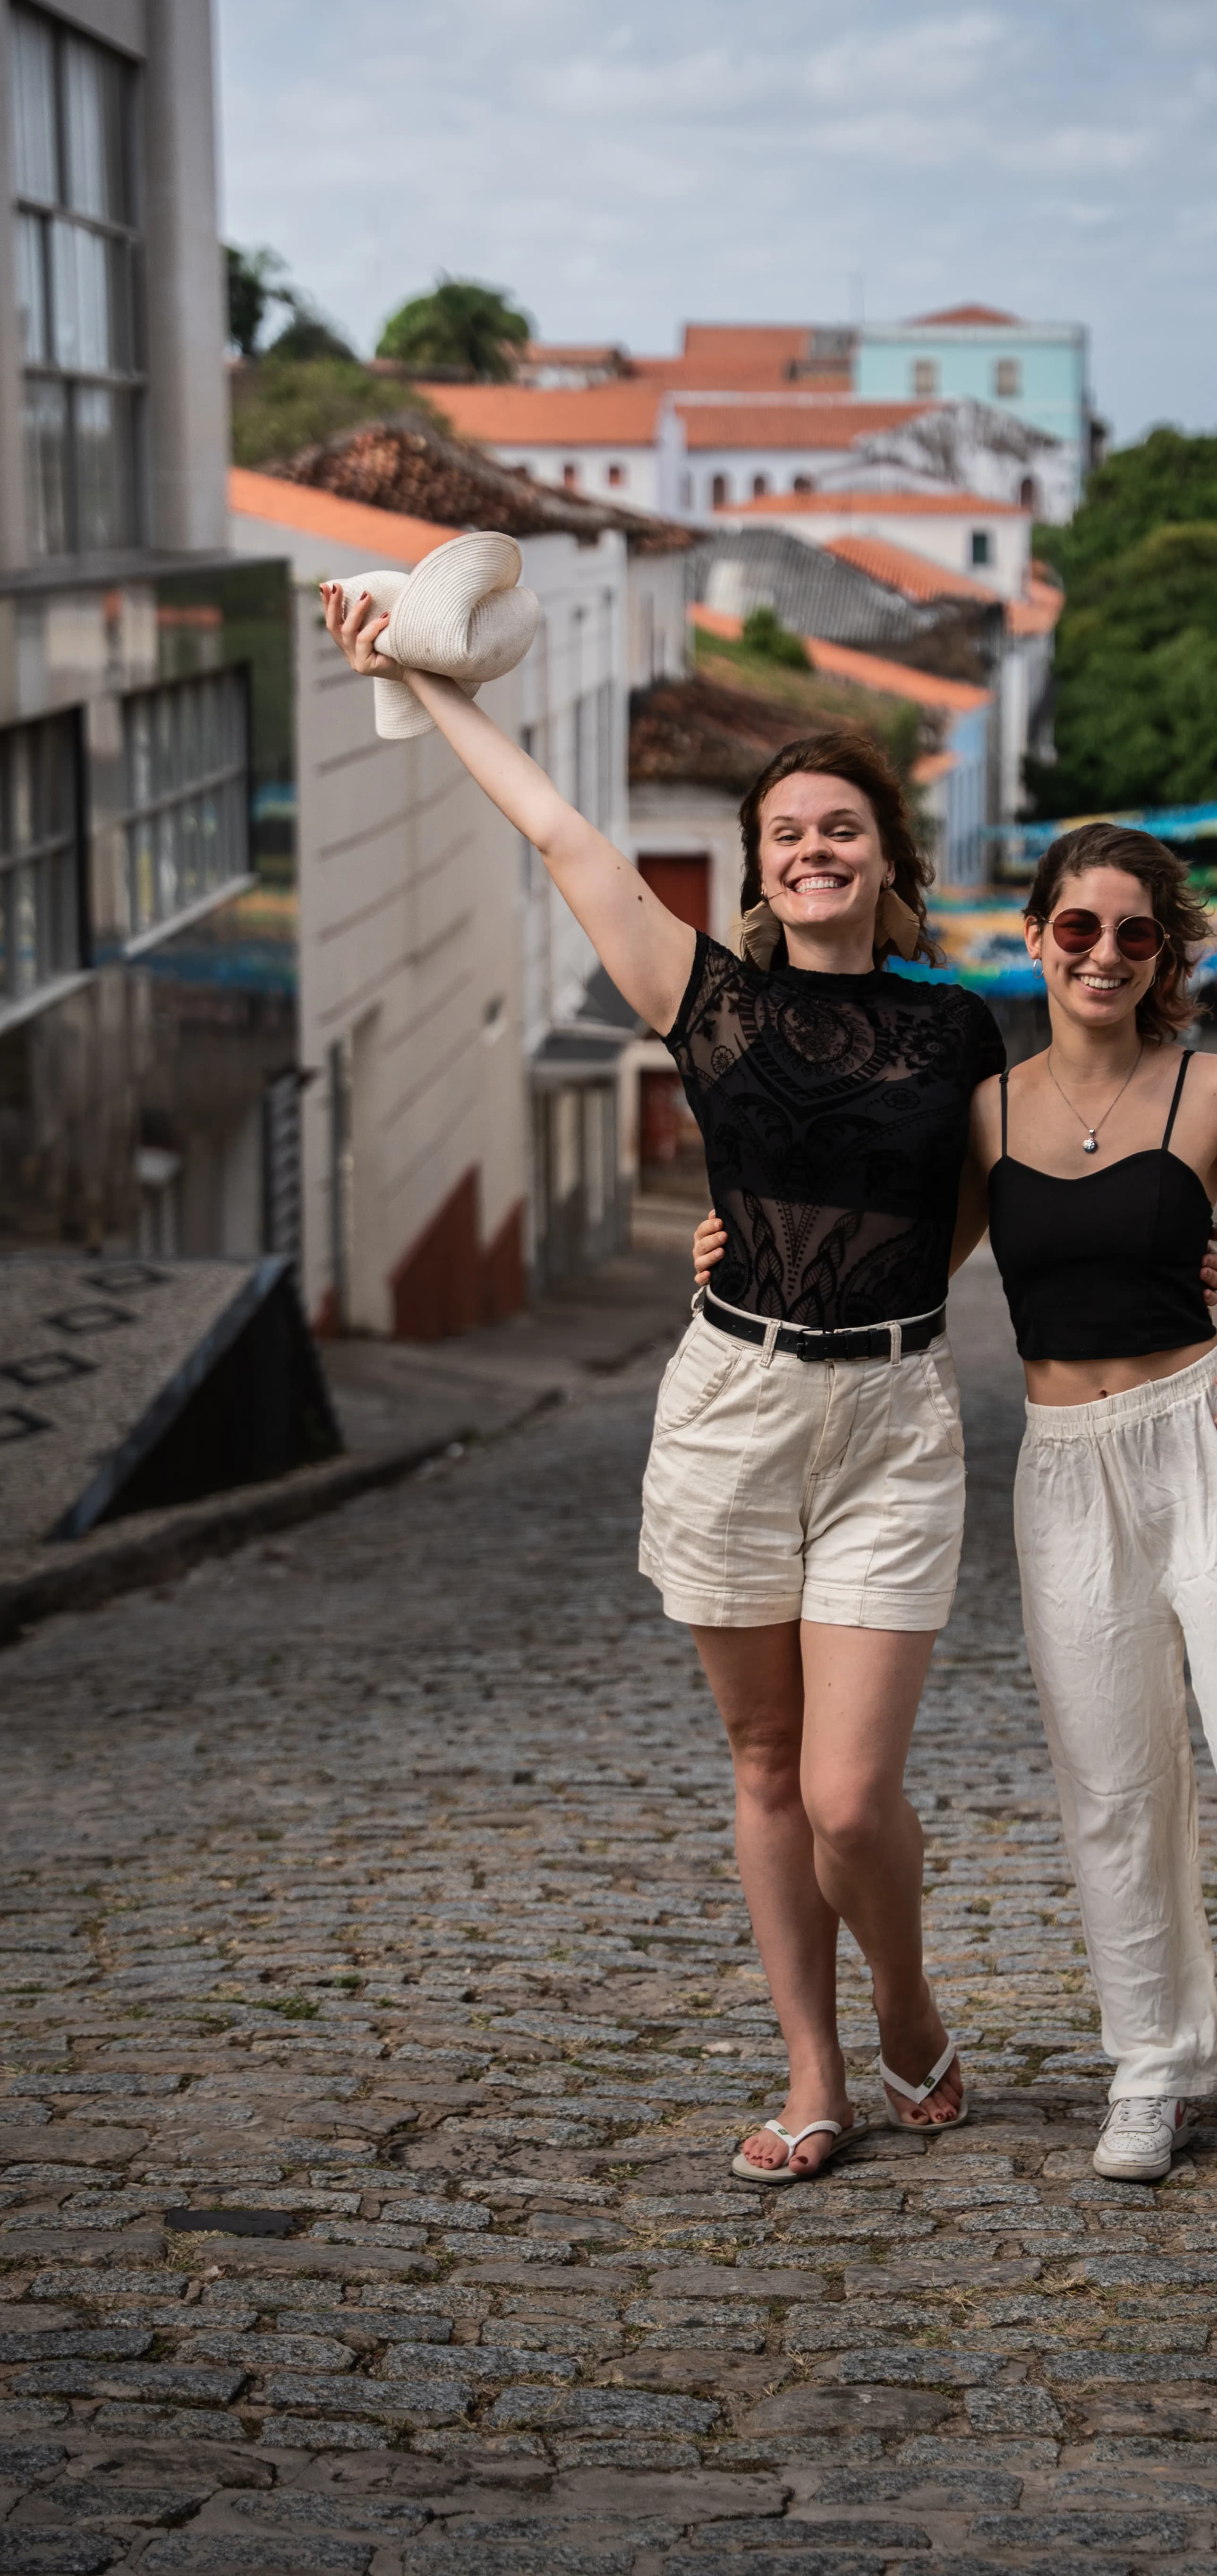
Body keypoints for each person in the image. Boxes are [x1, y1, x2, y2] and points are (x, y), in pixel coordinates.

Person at [323, 574, 996, 2183]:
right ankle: (816, 2069)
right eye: (788, 834)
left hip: (897, 1420)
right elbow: (561, 834)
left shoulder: (960, 1031)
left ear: (890, 860)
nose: (814, 849)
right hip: (731, 1409)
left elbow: (993, 1218)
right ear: (762, 870)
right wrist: (426, 681)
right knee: (766, 1765)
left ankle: (906, 2000)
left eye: (845, 827)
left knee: (849, 1797)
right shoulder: (708, 999)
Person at [695, 819, 1217, 2180]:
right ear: (1032, 940)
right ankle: (1156, 2065)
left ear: (1164, 957)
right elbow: (894, 1257)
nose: (1102, 954)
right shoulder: (990, 1110)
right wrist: (742, 1241)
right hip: (1064, 1469)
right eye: (1076, 928)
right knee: (1114, 1787)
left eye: (1133, 934)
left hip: (1208, 1444)